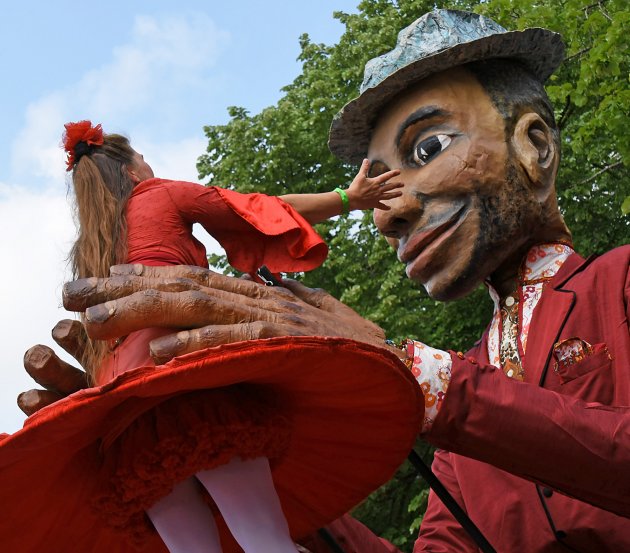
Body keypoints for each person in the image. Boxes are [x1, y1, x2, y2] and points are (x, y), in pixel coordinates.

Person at [14, 8, 630, 553]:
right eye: (377, 182)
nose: (387, 210)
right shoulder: (458, 412)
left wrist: (413, 372)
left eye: (427, 148)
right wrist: (229, 472)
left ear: (534, 145)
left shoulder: (617, 284)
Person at [55, 119, 405, 553]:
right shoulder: (157, 192)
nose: (148, 163)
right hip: (186, 381)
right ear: (130, 172)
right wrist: (347, 199)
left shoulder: (88, 247)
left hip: (128, 415)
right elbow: (255, 209)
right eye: (143, 158)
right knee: (266, 542)